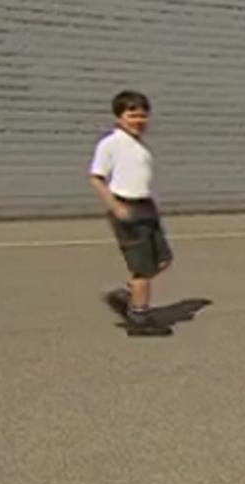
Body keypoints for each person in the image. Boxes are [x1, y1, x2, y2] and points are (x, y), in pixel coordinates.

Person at [88, 90, 173, 337]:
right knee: (142, 267)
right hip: (126, 207)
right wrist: (115, 206)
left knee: (163, 260)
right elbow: (96, 178)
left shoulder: (141, 147)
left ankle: (126, 294)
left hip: (145, 206)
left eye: (143, 116)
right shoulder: (110, 143)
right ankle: (139, 317)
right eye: (132, 115)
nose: (138, 120)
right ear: (119, 117)